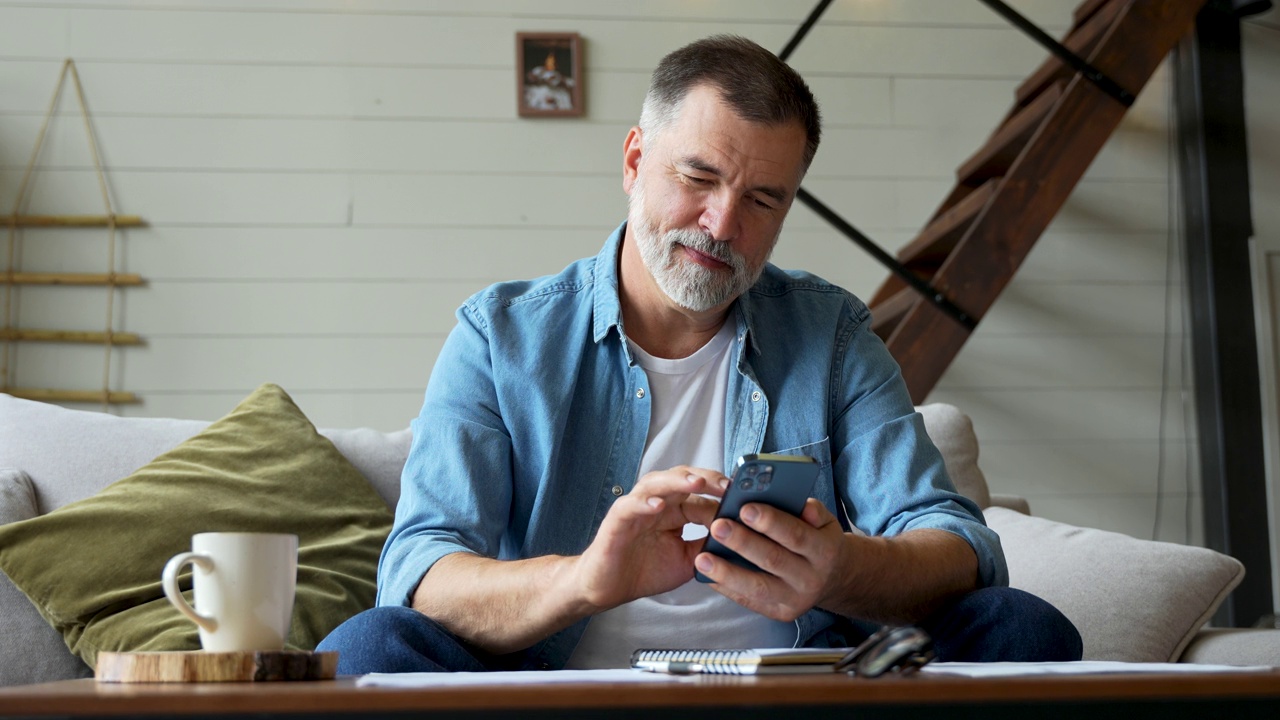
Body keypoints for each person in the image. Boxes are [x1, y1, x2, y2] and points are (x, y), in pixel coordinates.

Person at [319, 34, 1082, 673]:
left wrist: (841, 569)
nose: (720, 225)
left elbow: (961, 544)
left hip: (801, 694)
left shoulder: (833, 334)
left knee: (1022, 627)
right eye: (699, 178)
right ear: (633, 161)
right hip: (552, 694)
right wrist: (583, 581)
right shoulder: (500, 336)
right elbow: (419, 571)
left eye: (762, 200)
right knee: (368, 646)